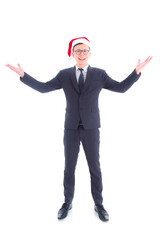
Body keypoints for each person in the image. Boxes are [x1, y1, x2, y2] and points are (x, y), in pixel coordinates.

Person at [6, 37, 152, 222]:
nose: (81, 54)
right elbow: (43, 88)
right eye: (78, 51)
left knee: (95, 168)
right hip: (71, 129)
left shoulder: (100, 74)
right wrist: (23, 75)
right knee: (69, 167)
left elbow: (121, 88)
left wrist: (136, 72)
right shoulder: (64, 74)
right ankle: (67, 202)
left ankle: (98, 204)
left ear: (89, 54)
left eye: (85, 51)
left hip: (91, 129)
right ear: (72, 54)